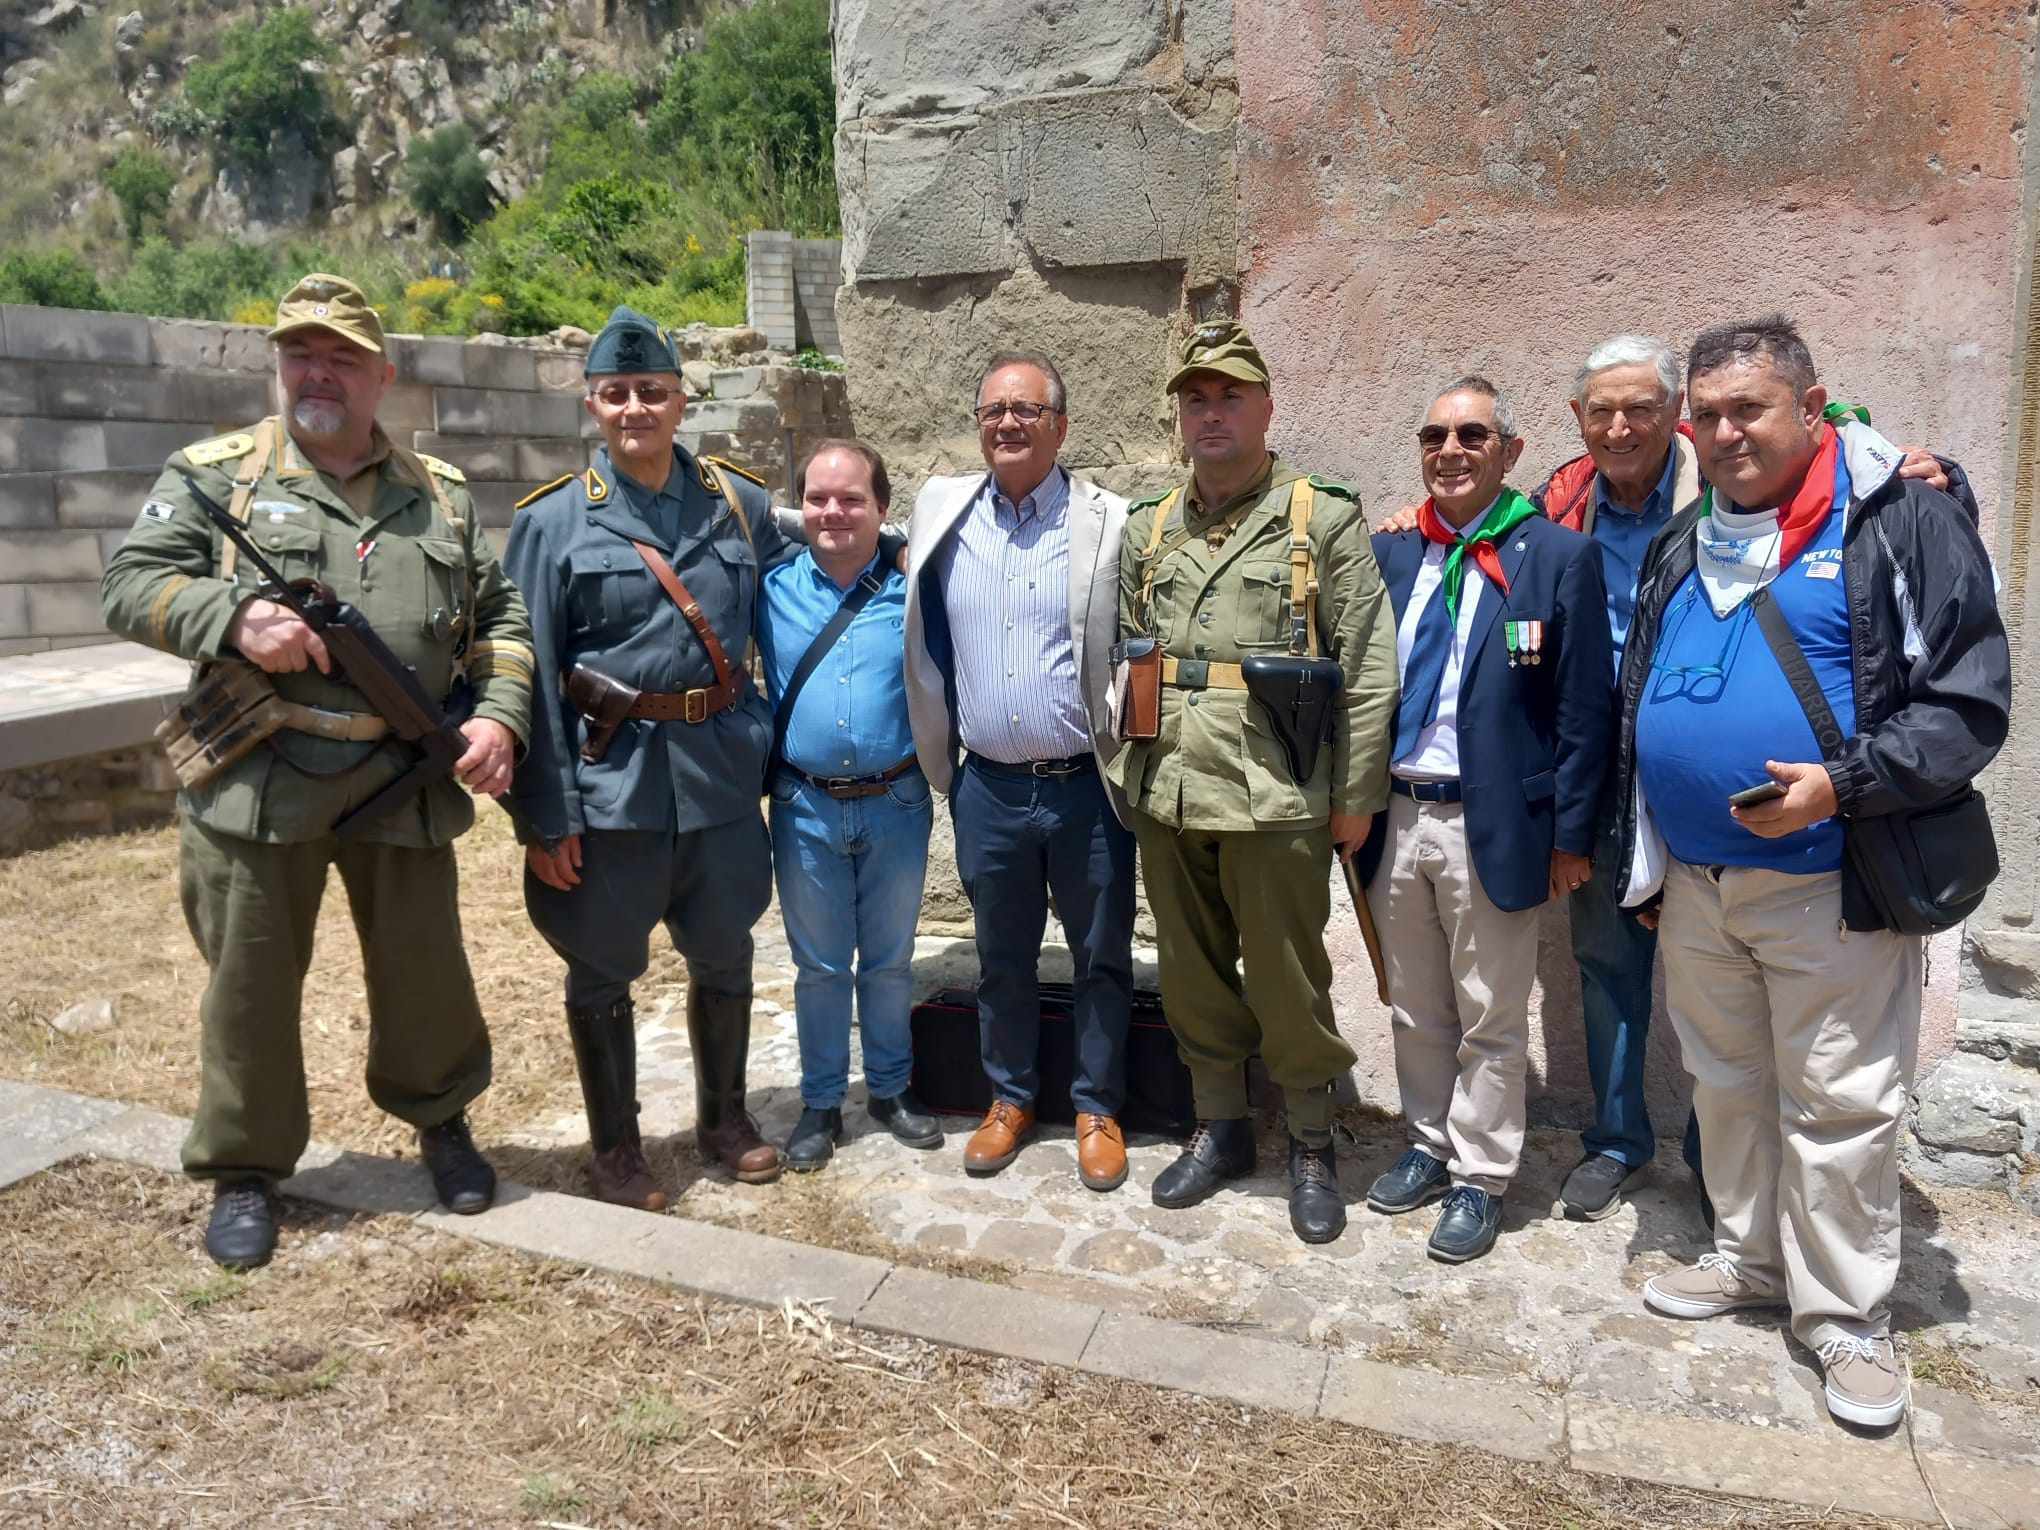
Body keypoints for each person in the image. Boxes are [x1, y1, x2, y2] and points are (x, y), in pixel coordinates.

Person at [1381, 338, 1955, 1228]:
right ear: (1576, 422)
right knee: (1610, 962)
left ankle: (1715, 1165)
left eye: (1640, 409)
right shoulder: (1561, 503)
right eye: (1601, 411)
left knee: (1724, 977)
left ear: (1672, 417)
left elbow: (1849, 473)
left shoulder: (1722, 486)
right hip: (1602, 772)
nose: (1620, 427)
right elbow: (1474, 525)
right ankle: (1618, 1141)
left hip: (1723, 790)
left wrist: (1939, 469)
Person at [1612, 315, 2009, 1427]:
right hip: (1698, 881)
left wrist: (1843, 784)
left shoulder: (1901, 523)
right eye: (1709, 414)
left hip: (1832, 884)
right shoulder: (1685, 539)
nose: (1726, 431)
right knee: (1727, 1089)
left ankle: (1843, 1316)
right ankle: (1750, 1261)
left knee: (1840, 1107)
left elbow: (1970, 706)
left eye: (1751, 408)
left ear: (1811, 404)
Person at [100, 272, 533, 1270]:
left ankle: (442, 1121)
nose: (317, 373)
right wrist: (235, 618)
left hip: (404, 777)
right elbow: (129, 584)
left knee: (426, 976)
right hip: (259, 774)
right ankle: (245, 1171)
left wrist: (500, 718)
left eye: (342, 357)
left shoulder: (442, 496)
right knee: (248, 985)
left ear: (383, 378)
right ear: (279, 366)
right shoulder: (217, 479)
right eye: (301, 353)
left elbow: (499, 622)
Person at [1112, 321, 1398, 1245]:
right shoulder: (1149, 525)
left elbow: (1366, 663)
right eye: (1195, 399)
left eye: (1230, 395)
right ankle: (1221, 1127)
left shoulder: (1322, 517)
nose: (1211, 414)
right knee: (1191, 973)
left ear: (1268, 407)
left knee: (1287, 974)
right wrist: (1127, 771)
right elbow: (1126, 658)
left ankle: (1311, 1139)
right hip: (1172, 788)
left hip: (1277, 792)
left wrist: (1354, 797)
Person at [504, 307, 795, 1208]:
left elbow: (797, 604)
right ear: (593, 404)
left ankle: (724, 1121)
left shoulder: (736, 505)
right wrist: (543, 815)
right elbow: (526, 672)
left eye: (653, 391)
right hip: (611, 786)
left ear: (681, 398)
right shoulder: (552, 523)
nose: (637, 408)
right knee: (599, 964)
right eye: (617, 393)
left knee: (726, 953)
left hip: (716, 780)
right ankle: (618, 1149)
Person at [1362, 377, 1613, 1263]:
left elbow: (1585, 713)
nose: (1451, 450)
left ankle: (1481, 1177)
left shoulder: (1556, 557)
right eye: (1434, 434)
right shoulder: (1393, 554)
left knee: (1491, 1018)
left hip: (1493, 825)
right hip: (1396, 817)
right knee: (1414, 1006)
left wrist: (1573, 838)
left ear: (1509, 450)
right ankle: (1428, 1145)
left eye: (1472, 434)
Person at [904, 350, 1138, 1192]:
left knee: (1101, 956)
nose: (1008, 423)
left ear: (1060, 427)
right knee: (1000, 957)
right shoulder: (942, 514)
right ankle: (1008, 1100)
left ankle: (1097, 1106)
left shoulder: (1105, 518)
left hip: (1084, 787)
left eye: (1027, 411)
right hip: (989, 788)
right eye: (994, 411)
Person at [757, 440, 941, 1171]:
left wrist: (905, 553)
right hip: (804, 805)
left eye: (852, 499)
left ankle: (892, 1090)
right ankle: (823, 1101)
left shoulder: (914, 588)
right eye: (817, 498)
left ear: (882, 509)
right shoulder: (768, 588)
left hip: (896, 800)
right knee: (820, 968)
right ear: (799, 506)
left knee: (891, 962)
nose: (832, 511)